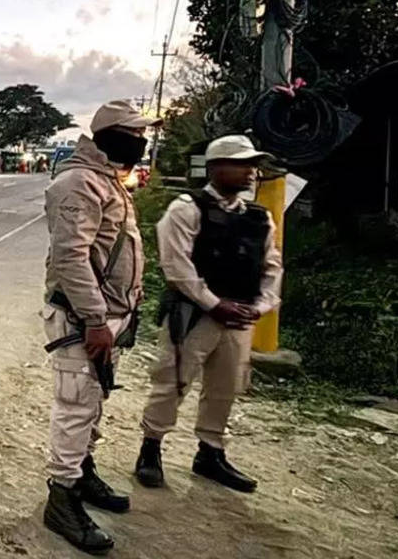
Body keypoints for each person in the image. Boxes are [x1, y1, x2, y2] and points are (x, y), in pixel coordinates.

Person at [41, 99, 161, 555]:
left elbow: (113, 251)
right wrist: (95, 319)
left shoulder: (108, 179)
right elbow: (71, 259)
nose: (142, 141)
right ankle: (62, 498)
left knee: (93, 403)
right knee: (75, 407)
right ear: (112, 135)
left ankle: (82, 473)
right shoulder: (78, 183)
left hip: (106, 316)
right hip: (80, 318)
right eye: (135, 134)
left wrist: (127, 304)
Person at [135, 135, 282, 494]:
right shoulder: (187, 209)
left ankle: (210, 453)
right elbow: (177, 267)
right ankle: (150, 450)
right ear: (216, 168)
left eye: (253, 165)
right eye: (242, 164)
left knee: (226, 387)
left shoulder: (259, 218)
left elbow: (272, 266)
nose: (251, 172)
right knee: (172, 381)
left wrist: (260, 306)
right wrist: (214, 303)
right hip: (194, 314)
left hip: (239, 316)